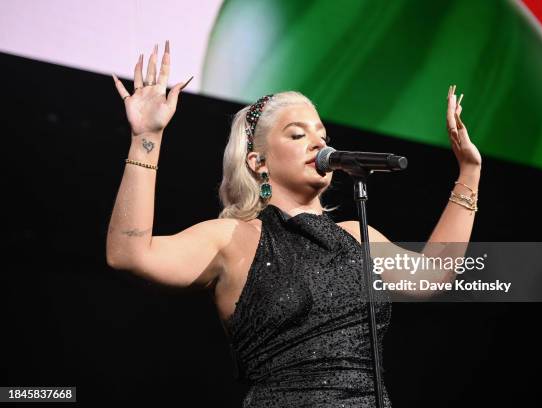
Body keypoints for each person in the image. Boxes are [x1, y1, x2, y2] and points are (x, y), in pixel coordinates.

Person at [107, 41, 482, 407]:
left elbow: (434, 274)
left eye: (322, 136)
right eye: (298, 135)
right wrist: (146, 137)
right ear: (258, 162)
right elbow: (130, 254)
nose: (317, 144)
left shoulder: (355, 235)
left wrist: (470, 169)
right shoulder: (235, 237)